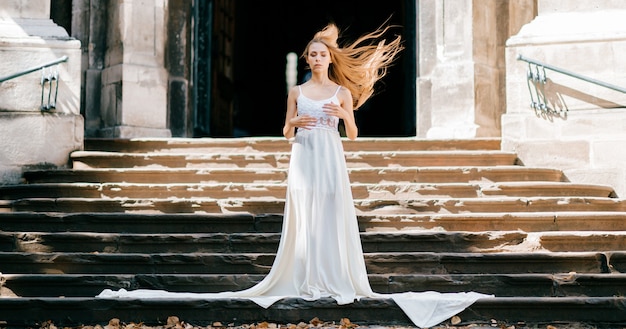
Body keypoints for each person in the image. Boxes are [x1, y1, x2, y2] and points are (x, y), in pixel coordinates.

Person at [98, 22, 492, 328]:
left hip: (330, 154)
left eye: (322, 54)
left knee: (331, 210)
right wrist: (295, 124)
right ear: (308, 59)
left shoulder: (342, 94)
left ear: (329, 59)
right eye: (314, 55)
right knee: (306, 210)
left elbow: (353, 135)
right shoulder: (296, 91)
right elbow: (285, 131)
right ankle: (305, 273)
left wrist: (342, 117)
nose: (318, 58)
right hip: (304, 154)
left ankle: (333, 275)